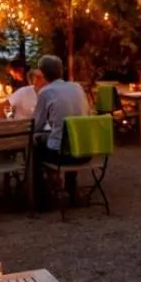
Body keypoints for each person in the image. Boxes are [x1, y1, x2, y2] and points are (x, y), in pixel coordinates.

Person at [32, 55, 91, 202]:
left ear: (42, 73)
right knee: (69, 139)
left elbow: (36, 125)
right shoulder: (77, 87)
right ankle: (71, 187)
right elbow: (86, 114)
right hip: (85, 150)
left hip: (61, 155)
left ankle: (42, 193)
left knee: (34, 147)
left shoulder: (45, 92)